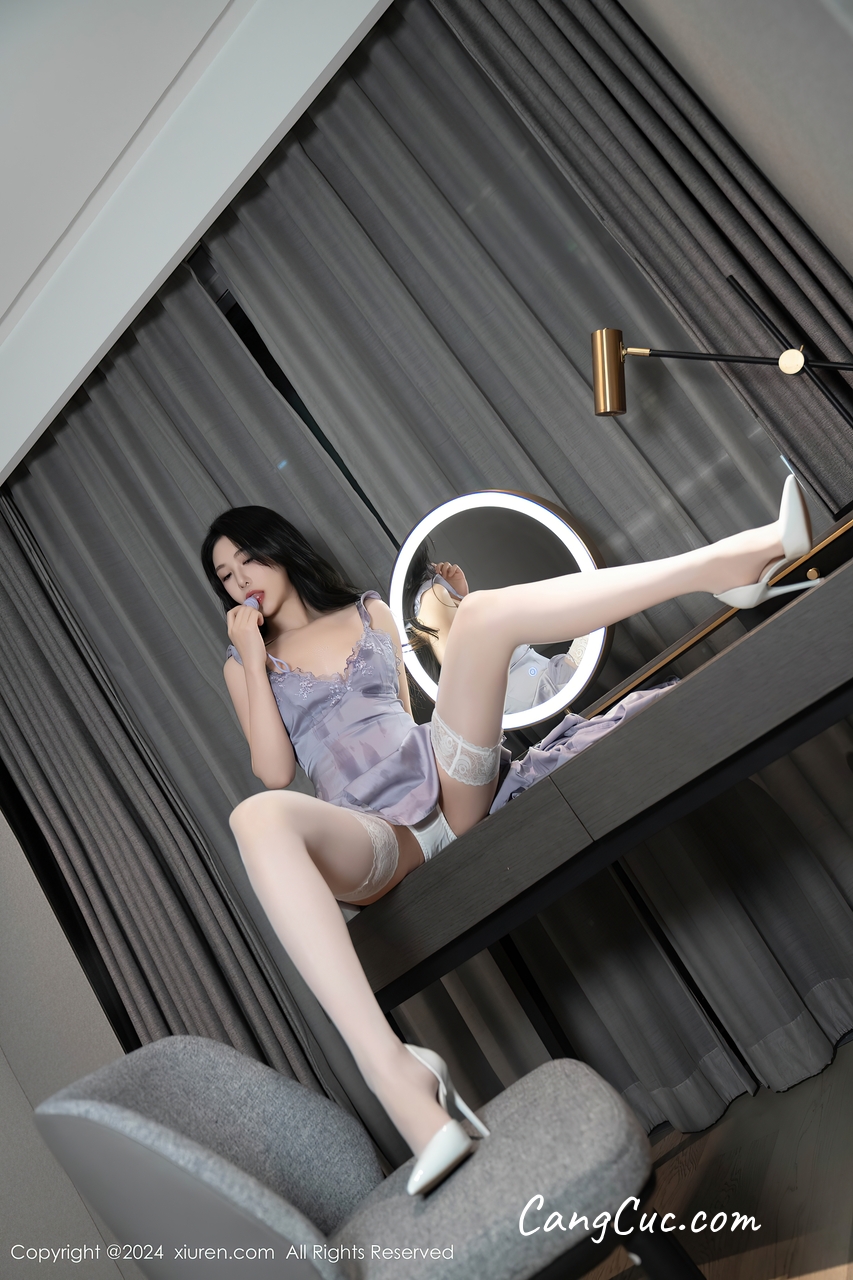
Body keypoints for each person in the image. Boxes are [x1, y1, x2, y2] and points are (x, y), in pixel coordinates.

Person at [201, 476, 816, 1195]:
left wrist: (456, 636)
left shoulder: (370, 611)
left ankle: (724, 565)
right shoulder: (245, 666)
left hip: (448, 790)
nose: (241, 580)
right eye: (225, 576)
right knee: (254, 815)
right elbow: (274, 770)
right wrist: (252, 657)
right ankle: (394, 1073)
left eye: (248, 559)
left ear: (279, 551)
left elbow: (409, 707)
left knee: (486, 614)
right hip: (376, 840)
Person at [402, 542, 589, 715]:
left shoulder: (428, 599)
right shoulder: (432, 596)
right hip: (534, 689)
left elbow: (467, 651)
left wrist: (461, 597)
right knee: (595, 620)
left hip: (532, 685)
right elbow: (464, 667)